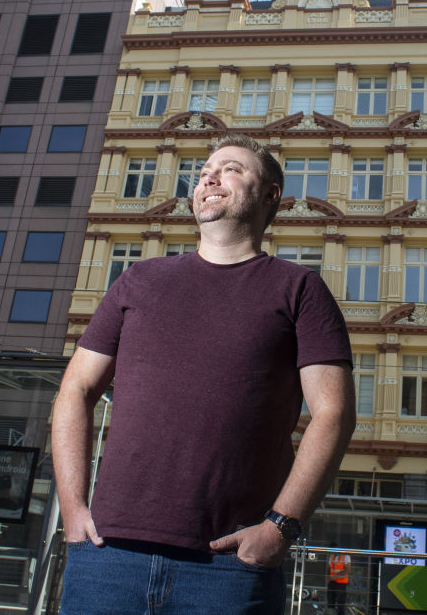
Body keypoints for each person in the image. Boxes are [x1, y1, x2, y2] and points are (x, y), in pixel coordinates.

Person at [52, 133, 356, 614]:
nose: (210, 176)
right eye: (205, 171)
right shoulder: (137, 281)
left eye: (232, 168)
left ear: (270, 195)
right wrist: (72, 509)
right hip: (108, 556)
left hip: (229, 566)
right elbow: (76, 389)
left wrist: (282, 526)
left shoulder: (301, 290)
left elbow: (333, 414)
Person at [326, 542, 351, 613]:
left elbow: (348, 570)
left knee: (340, 605)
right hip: (332, 582)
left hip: (341, 583)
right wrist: (328, 577)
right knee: (330, 604)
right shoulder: (332, 556)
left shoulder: (345, 556)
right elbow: (329, 567)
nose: (332, 553)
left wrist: (336, 575)